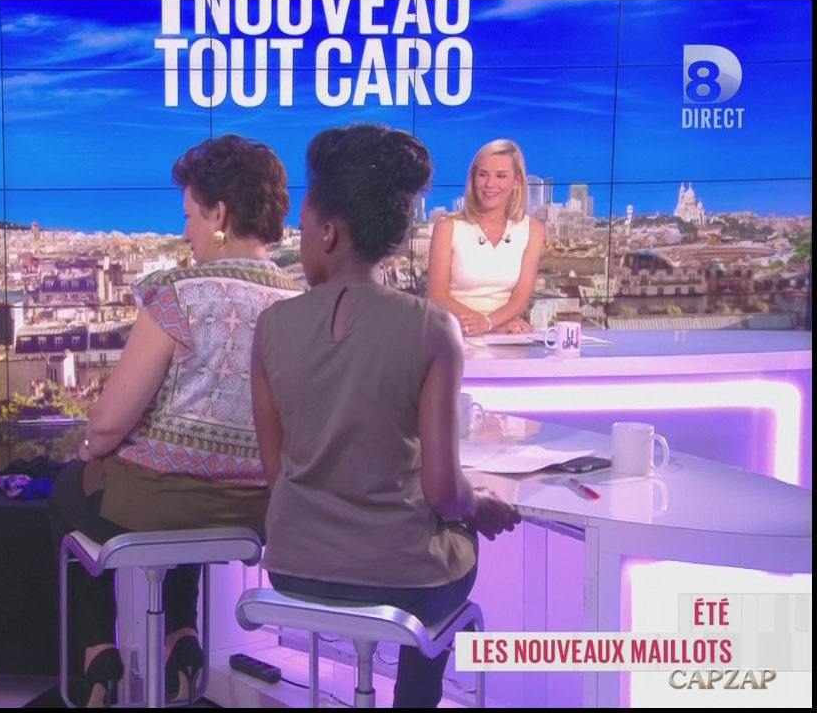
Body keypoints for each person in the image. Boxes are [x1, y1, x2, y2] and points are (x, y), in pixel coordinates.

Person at [251, 124, 521, 708]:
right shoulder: (433, 327)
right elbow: (444, 492)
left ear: (328, 232)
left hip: (292, 569)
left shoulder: (270, 328)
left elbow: (277, 474)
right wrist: (481, 505)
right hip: (406, 580)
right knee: (458, 549)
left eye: (302, 224)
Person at [49, 134, 303, 706]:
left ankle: (97, 655)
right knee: (190, 506)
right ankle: (181, 641)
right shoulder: (299, 301)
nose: (186, 232)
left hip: (154, 503)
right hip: (258, 510)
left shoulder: (176, 294)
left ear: (220, 215)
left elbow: (109, 424)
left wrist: (90, 450)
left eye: (190, 215)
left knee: (69, 491)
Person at [427, 139, 546, 336]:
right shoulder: (447, 227)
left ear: (516, 182)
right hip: (452, 333)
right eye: (483, 175)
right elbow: (437, 296)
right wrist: (489, 325)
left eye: (501, 176)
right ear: (473, 179)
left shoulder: (534, 230)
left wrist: (489, 323)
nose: (490, 184)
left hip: (505, 335)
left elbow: (521, 299)